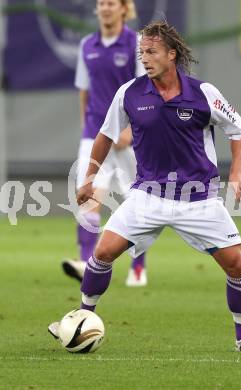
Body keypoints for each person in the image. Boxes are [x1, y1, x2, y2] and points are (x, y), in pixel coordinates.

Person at [50, 20, 241, 353]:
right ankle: (81, 318)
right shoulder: (130, 93)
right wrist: (90, 177)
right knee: (103, 252)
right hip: (147, 195)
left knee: (237, 266)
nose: (145, 58)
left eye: (151, 52)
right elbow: (105, 135)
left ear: (172, 54)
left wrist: (237, 172)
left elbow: (237, 130)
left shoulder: (203, 93)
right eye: (142, 53)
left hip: (198, 199)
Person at [62, 0, 147, 287]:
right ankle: (86, 262)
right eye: (101, 3)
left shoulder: (135, 44)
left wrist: (133, 131)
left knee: (137, 203)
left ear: (124, 8)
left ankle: (138, 266)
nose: (106, 8)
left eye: (111, 3)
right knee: (88, 195)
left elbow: (144, 91)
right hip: (95, 136)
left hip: (127, 139)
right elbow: (84, 93)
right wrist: (88, 128)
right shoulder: (87, 45)